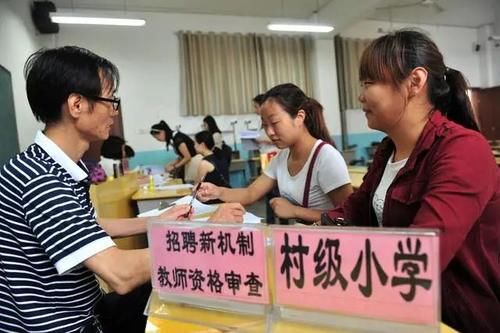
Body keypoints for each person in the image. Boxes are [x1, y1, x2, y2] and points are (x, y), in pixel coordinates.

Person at [0, 46, 244, 333]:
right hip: (70, 325)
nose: (113, 112)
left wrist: (153, 221)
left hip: (88, 310)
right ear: (77, 105)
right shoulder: (40, 178)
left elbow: (86, 225)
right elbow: (121, 274)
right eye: (110, 100)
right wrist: (209, 234)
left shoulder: (49, 166)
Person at [324, 30, 499, 332]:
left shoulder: (463, 149)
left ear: (415, 82)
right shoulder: (388, 149)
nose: (360, 95)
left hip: (457, 318)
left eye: (369, 83)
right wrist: (303, 237)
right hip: (402, 312)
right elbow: (353, 211)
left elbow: (421, 256)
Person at [198, 83, 353, 223]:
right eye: (265, 125)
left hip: (328, 247)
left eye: (275, 123)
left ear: (299, 117)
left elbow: (349, 216)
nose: (270, 132)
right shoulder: (283, 157)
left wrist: (295, 211)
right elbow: (250, 193)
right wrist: (217, 191)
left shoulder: (325, 157)